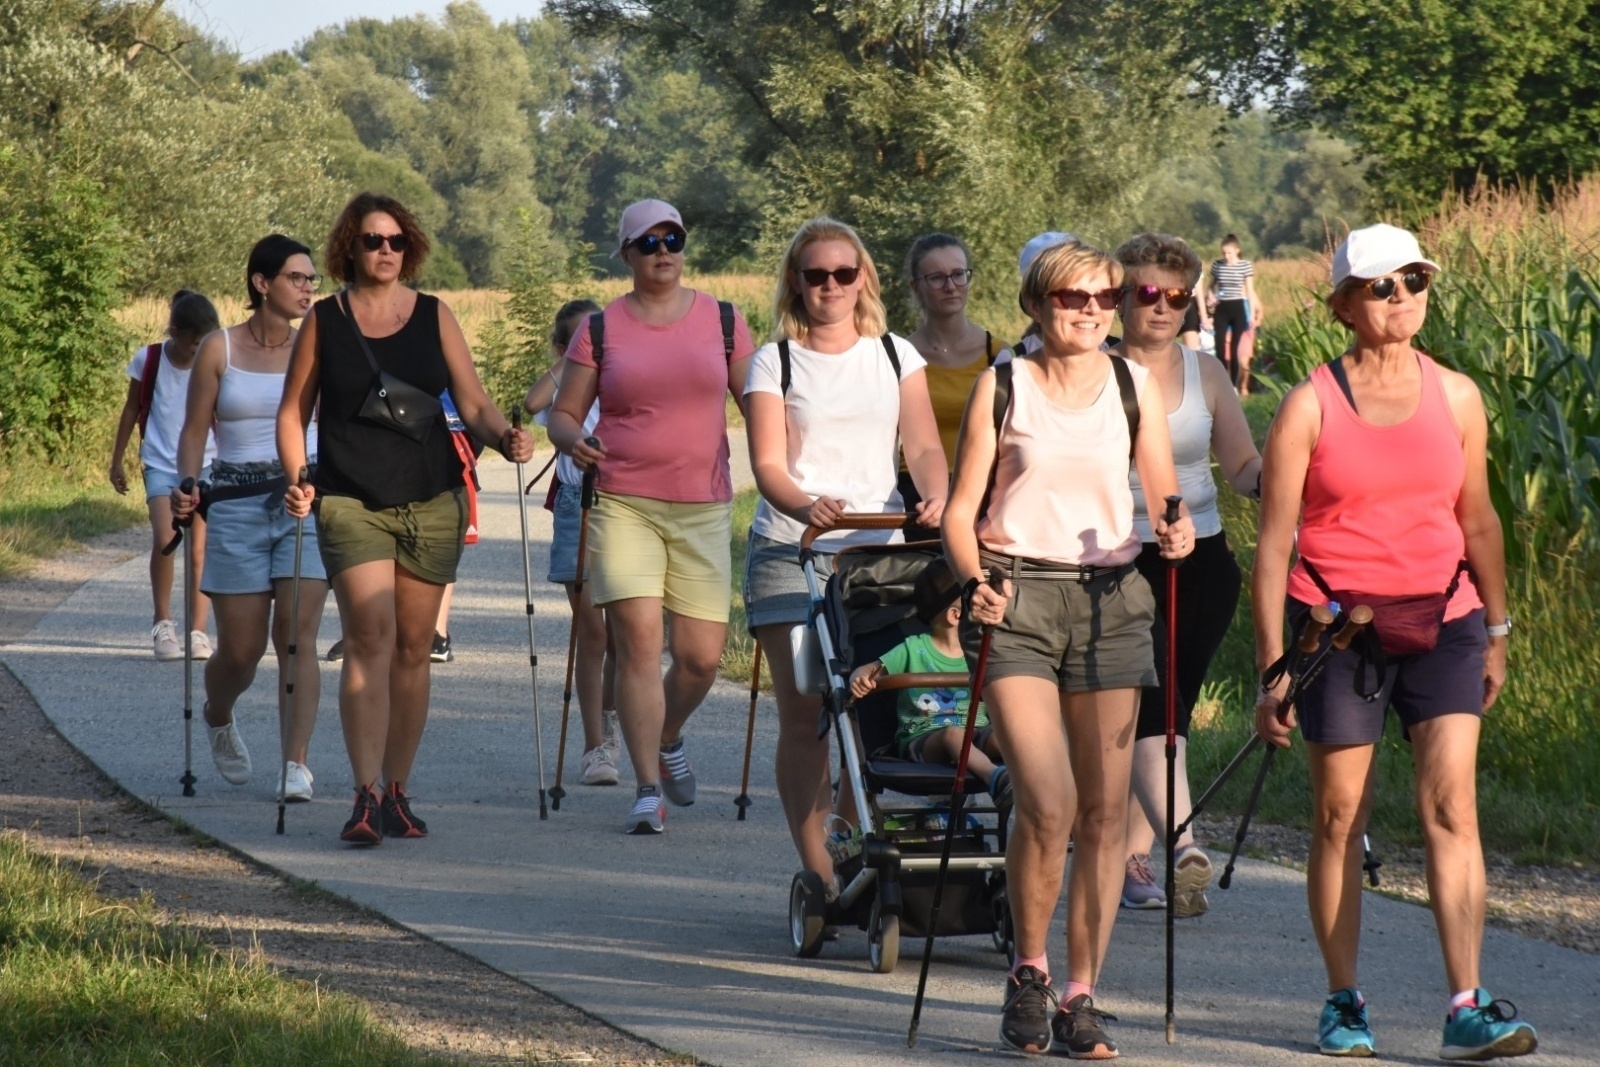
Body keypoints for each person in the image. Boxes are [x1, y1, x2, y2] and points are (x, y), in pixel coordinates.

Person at [1253, 223, 1536, 1061]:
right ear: (1344, 304)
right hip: (1337, 632)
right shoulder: (1310, 404)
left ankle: (1467, 1002)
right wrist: (1273, 667)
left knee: (1452, 805)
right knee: (1340, 814)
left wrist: (1498, 629)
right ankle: (1344, 1002)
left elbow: (1476, 517)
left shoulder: (1457, 395)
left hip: (1445, 620)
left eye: (1415, 280)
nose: (1403, 297)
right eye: (1382, 286)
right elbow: (1273, 544)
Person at [943, 239, 1193, 1057]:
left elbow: (1161, 487)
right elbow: (958, 510)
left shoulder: (1134, 385)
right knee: (1047, 802)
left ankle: (1082, 993)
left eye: (1103, 299)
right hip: (1017, 595)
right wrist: (974, 577)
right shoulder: (1003, 384)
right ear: (1037, 306)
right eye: (1070, 299)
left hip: (1113, 600)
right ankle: (1029, 971)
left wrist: (1175, 524)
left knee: (1105, 814)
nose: (1089, 312)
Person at [278, 192, 532, 846]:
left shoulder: (434, 315)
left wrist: (504, 437)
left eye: (394, 240)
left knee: (415, 648)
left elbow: (472, 401)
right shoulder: (326, 320)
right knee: (370, 635)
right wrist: (296, 476)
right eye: (371, 240)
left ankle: (396, 788)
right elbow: (292, 412)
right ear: (350, 248)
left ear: (409, 246)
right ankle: (362, 794)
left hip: (431, 498)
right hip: (350, 499)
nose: (384, 250)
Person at [743, 215, 947, 887]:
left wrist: (938, 494)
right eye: (815, 275)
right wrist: (808, 505)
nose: (829, 286)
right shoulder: (774, 360)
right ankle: (820, 870)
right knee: (807, 709)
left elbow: (920, 446)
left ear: (864, 279)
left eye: (842, 273)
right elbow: (769, 463)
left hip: (878, 555)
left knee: (872, 697)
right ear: (795, 284)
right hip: (794, 546)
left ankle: (861, 842)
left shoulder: (895, 355)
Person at [548, 199, 755, 835]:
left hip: (704, 504)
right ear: (626, 254)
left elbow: (757, 403)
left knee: (700, 658)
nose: (662, 251)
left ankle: (667, 736)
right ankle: (645, 789)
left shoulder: (724, 320)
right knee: (636, 642)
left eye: (673, 239)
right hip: (623, 502)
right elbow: (562, 412)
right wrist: (569, 440)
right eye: (647, 243)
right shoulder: (601, 329)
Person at [1109, 233, 1263, 918]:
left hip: (1203, 559)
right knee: (1154, 702)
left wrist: (1299, 477)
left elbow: (1243, 467)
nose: (1165, 306)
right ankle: (1183, 844)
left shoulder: (1206, 373)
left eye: (1178, 295)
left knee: (1172, 710)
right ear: (1120, 297)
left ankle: (1131, 855)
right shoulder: (1094, 371)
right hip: (1120, 556)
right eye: (1149, 293)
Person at [171, 236, 327, 800]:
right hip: (234, 505)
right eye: (297, 278)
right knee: (242, 651)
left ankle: (296, 764)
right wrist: (185, 488)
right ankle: (218, 712)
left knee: (296, 635)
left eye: (312, 279)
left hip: (300, 501)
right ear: (262, 283)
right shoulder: (220, 348)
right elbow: (193, 434)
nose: (309, 288)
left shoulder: (318, 345)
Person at [523, 297, 621, 787]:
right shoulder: (566, 380)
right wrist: (573, 358)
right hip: (575, 504)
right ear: (563, 345)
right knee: (594, 633)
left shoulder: (621, 371)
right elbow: (532, 403)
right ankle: (593, 746)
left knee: (628, 634)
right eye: (583, 338)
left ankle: (610, 719)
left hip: (627, 504)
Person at [110, 290, 220, 660]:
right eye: (194, 342)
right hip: (159, 461)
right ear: (174, 332)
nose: (198, 349)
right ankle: (162, 624)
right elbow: (130, 409)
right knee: (165, 538)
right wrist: (117, 460)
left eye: (205, 342)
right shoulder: (150, 359)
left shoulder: (215, 360)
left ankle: (199, 631)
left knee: (200, 549)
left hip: (206, 462)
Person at [848, 560, 1009, 805]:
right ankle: (995, 778)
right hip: (925, 740)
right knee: (953, 736)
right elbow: (872, 669)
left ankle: (1030, 781)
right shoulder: (913, 648)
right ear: (955, 615)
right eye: (978, 603)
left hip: (976, 733)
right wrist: (859, 675)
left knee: (1006, 735)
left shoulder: (980, 650)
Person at [900, 233, 1007, 528]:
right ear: (916, 287)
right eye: (936, 278)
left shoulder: (998, 355)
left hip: (981, 493)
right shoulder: (899, 356)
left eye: (958, 275)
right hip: (914, 498)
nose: (950, 286)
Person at [1197, 233, 1264, 392]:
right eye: (1224, 253)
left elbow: (1249, 289)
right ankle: (1222, 382)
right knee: (1220, 348)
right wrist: (1210, 295)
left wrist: (1253, 315)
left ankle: (1233, 385)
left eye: (1229, 253)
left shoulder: (1245, 266)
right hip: (1222, 308)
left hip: (1238, 308)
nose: (1226, 256)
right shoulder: (1218, 265)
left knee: (1235, 349)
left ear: (1237, 251)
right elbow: (1210, 286)